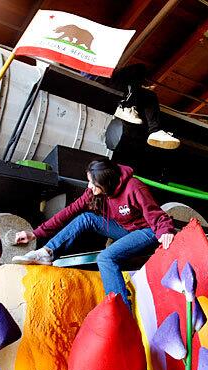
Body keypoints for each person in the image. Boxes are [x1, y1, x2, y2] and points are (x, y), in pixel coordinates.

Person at [12, 159, 175, 309]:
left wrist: (165, 230)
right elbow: (69, 211)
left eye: (93, 183)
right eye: (89, 181)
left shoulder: (134, 187)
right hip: (124, 228)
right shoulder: (96, 191)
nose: (90, 186)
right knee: (85, 219)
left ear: (108, 183)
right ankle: (47, 253)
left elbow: (155, 213)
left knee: (106, 257)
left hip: (147, 231)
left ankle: (121, 309)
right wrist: (35, 233)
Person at [82, 64, 180, 149]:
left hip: (116, 86)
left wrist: (137, 88)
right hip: (101, 83)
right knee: (138, 68)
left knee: (149, 96)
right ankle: (124, 106)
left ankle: (155, 131)